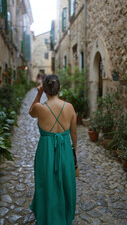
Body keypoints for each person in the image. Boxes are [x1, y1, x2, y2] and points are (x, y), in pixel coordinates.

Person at [29, 74, 77, 225]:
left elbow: (31, 112)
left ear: (44, 89)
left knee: (45, 183)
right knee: (66, 183)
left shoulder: (39, 108)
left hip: (45, 152)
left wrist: (38, 94)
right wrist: (74, 150)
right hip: (65, 150)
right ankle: (64, 215)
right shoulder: (69, 107)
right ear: (59, 88)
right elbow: (74, 133)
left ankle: (46, 216)